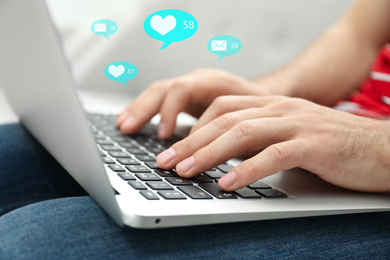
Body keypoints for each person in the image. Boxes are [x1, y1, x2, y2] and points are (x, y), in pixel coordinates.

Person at [1, 0, 390, 258]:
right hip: (331, 139)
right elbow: (358, 36)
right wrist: (264, 99)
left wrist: (370, 146)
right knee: (9, 155)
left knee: (34, 242)